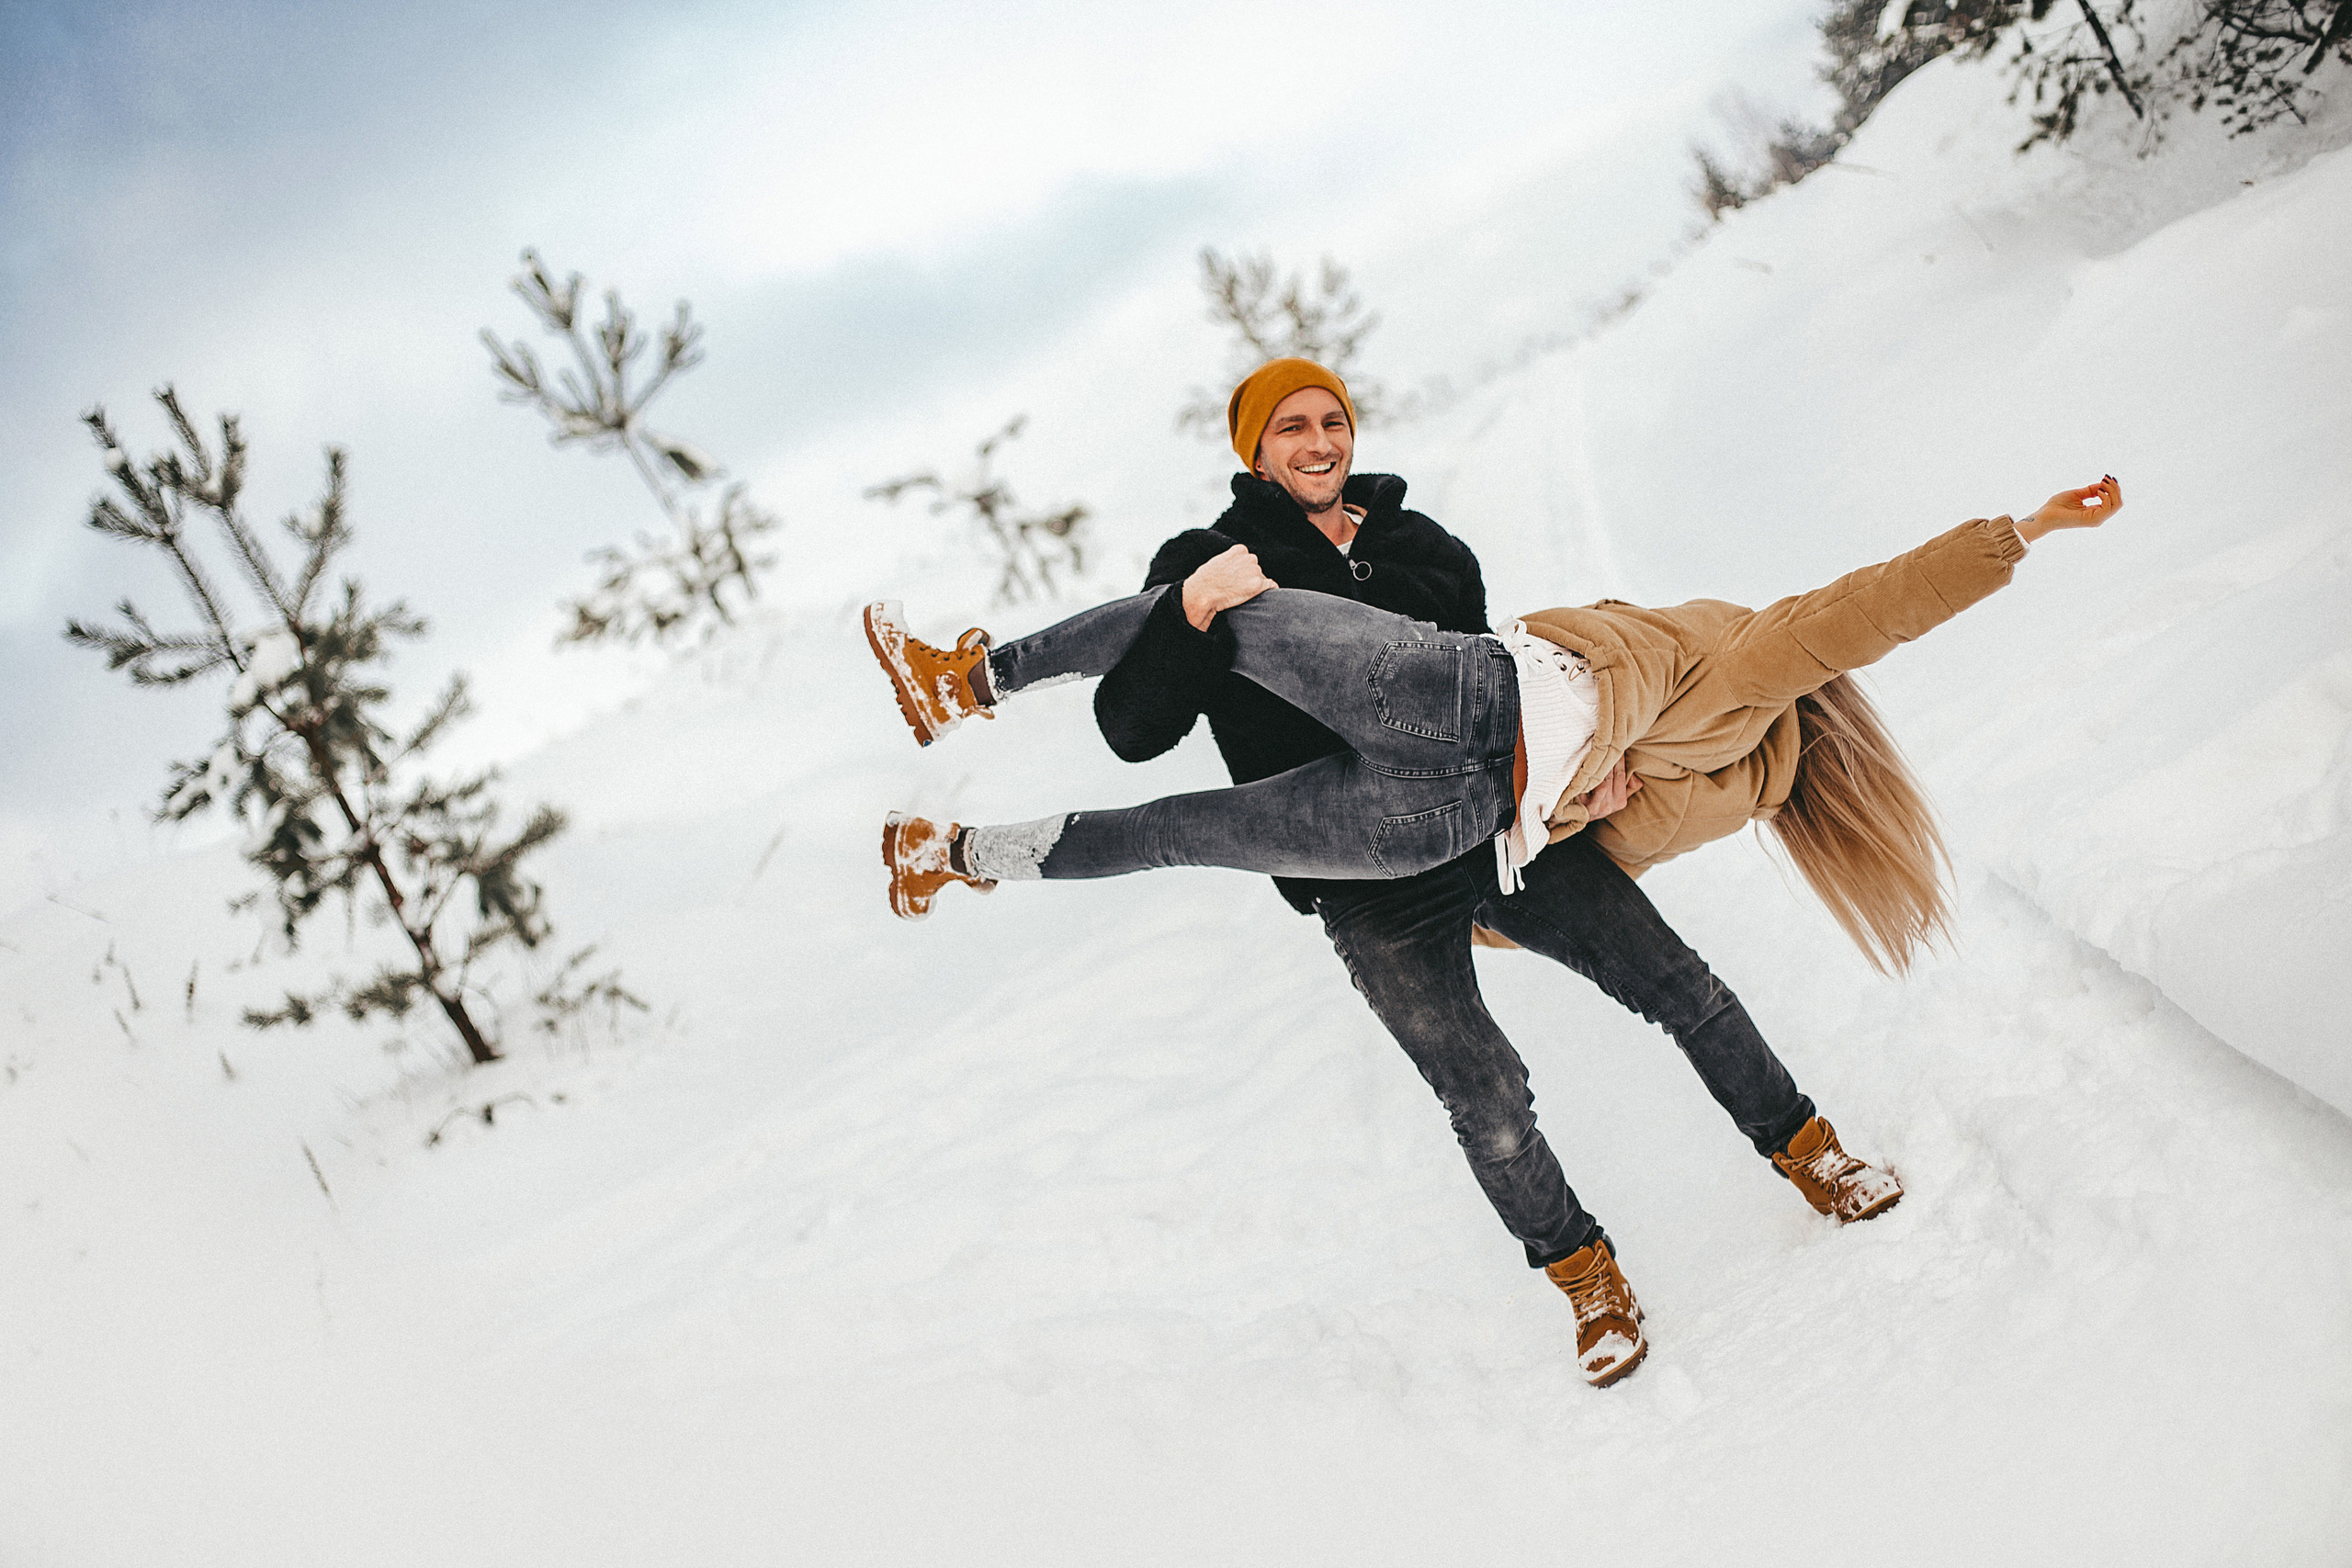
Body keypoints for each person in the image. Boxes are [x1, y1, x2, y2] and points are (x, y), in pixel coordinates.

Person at [864, 357, 2120, 1386]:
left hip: (1490, 822)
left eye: (1331, 419)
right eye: (1291, 425)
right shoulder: (1212, 554)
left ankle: (1808, 1150)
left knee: (1679, 988)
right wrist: (1190, 615)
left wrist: (1586, 776)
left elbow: (1549, 684)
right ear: (1253, 450)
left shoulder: (1426, 547)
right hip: (1362, 864)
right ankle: (1585, 1278)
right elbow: (1135, 729)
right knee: (1479, 1088)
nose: (1318, 439)